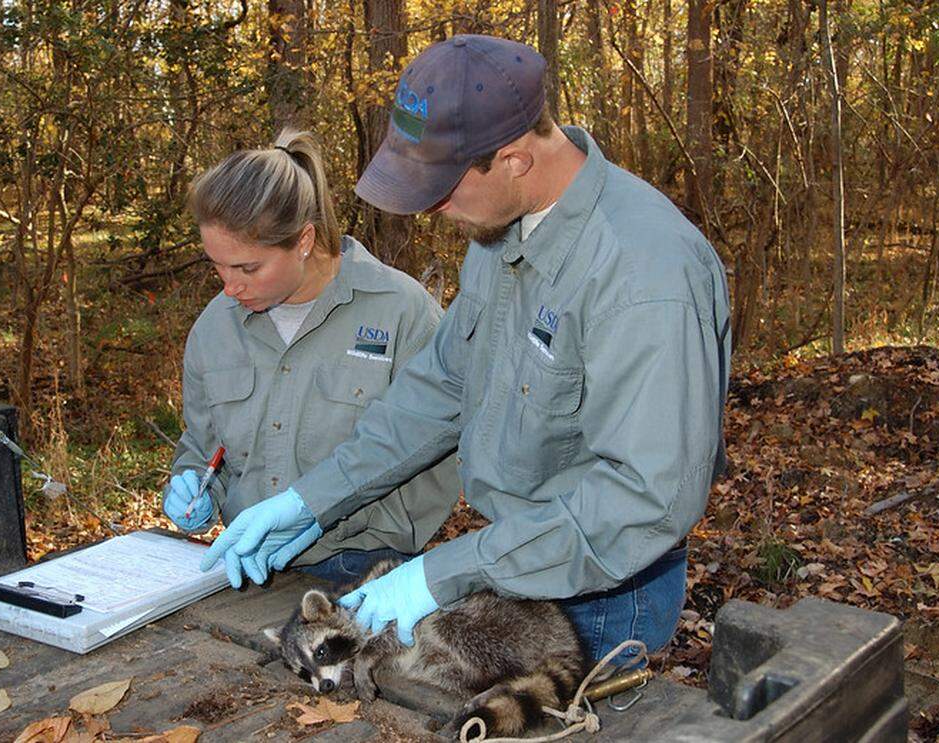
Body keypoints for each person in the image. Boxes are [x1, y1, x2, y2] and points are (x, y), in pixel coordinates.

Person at [202, 36, 731, 659]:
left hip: (606, 593)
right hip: (512, 567)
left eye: (443, 189)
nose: (432, 208)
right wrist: (310, 501)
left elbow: (645, 498)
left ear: (513, 159)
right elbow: (440, 389)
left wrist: (439, 575)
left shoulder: (646, 275)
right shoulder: (499, 236)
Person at [164, 128, 459, 589]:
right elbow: (204, 450)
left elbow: (431, 439)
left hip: (367, 573)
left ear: (303, 240)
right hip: (244, 572)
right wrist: (190, 487)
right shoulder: (215, 328)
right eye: (216, 266)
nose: (229, 287)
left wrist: (315, 509)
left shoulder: (402, 312)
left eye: (247, 268)